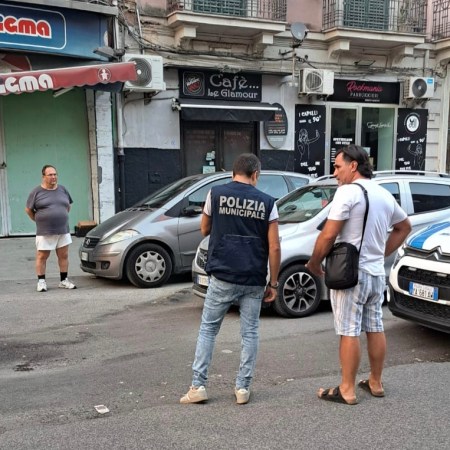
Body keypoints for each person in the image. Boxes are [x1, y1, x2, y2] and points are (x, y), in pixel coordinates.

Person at [306, 145, 411, 405]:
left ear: (353, 166)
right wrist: (381, 253)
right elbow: (404, 226)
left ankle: (347, 389)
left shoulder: (348, 192)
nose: (334, 173)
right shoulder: (384, 194)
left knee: (349, 330)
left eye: (337, 166)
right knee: (375, 327)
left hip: (351, 274)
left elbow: (329, 234)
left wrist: (314, 262)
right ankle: (375, 382)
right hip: (375, 274)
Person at [180, 153, 281, 405]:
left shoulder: (215, 194)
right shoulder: (268, 202)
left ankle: (198, 386)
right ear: (255, 174)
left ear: (233, 173)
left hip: (223, 274)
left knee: (208, 329)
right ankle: (242, 389)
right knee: (250, 332)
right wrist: (274, 283)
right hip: (253, 277)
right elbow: (274, 246)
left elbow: (204, 228)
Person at [25, 165, 77, 292]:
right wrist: (40, 220)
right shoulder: (36, 192)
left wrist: (60, 216)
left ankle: (63, 280)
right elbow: (28, 210)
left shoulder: (63, 189)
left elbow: (67, 206)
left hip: (63, 229)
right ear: (43, 176)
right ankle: (41, 282)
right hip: (45, 231)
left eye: (55, 174)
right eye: (50, 175)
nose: (53, 177)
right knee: (42, 256)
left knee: (63, 255)